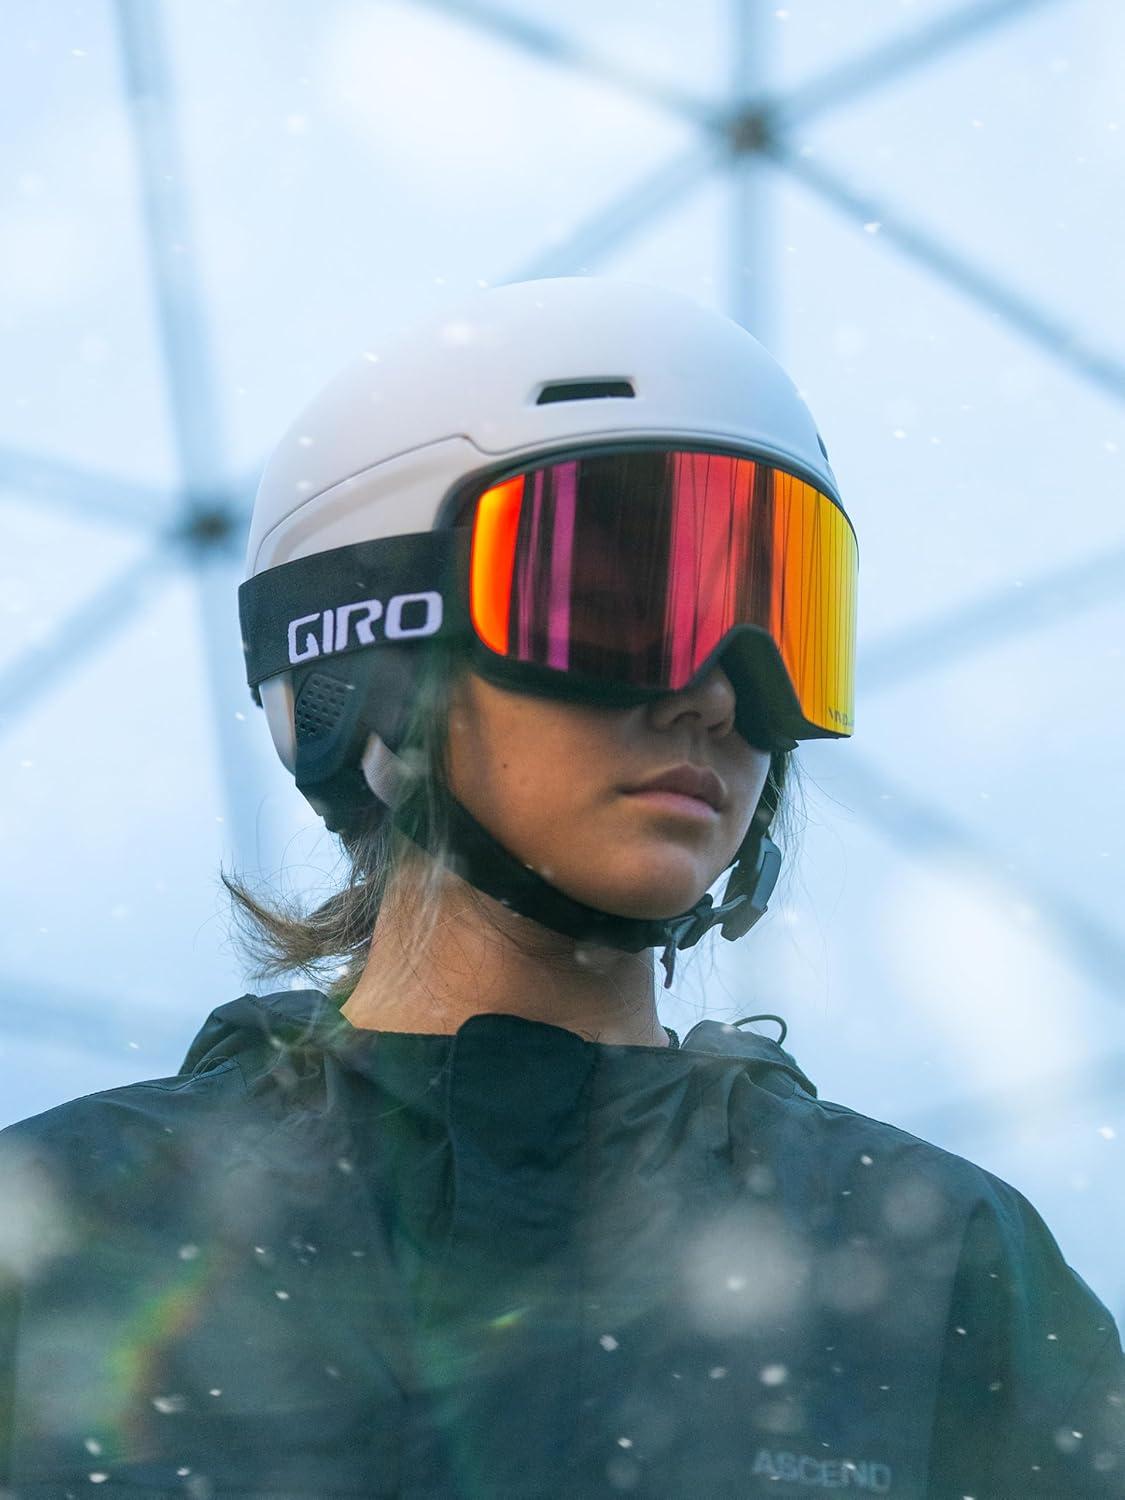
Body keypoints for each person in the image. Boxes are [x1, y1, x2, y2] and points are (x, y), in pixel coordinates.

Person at [0, 277, 1120, 1499]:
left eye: (782, 630)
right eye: (616, 606)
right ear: (364, 647)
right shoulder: (63, 1233)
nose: (718, 694)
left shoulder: (943, 1270)